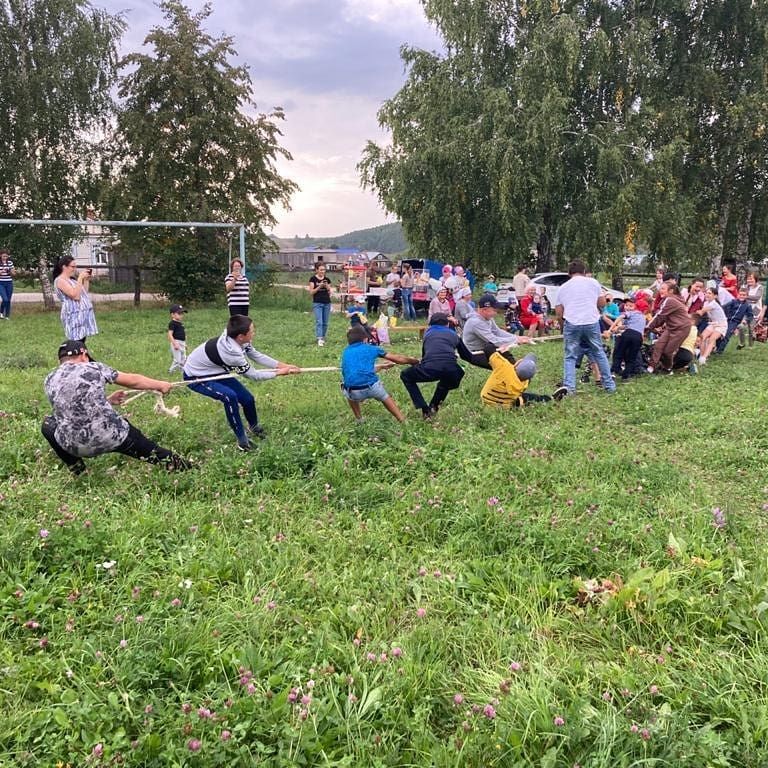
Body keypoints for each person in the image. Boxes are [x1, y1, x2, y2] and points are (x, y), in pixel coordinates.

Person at [41, 340, 189, 475]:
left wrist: (108, 400)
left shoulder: (50, 378)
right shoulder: (94, 367)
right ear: (84, 354)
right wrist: (161, 385)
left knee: (48, 425)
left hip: (72, 445)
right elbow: (133, 381)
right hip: (112, 437)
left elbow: (70, 406)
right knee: (154, 453)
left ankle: (77, 469)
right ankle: (187, 468)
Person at [183, 315, 301, 451]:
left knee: (247, 399)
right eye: (252, 331)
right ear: (241, 336)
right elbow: (254, 375)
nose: (254, 333)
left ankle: (254, 427)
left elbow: (256, 355)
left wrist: (283, 365)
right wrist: (280, 373)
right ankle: (243, 442)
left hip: (215, 371)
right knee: (230, 397)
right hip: (197, 376)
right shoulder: (232, 354)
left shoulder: (238, 339)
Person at [555, 260, 615, 394]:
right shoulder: (593, 282)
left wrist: (562, 326)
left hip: (572, 322)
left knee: (570, 356)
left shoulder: (563, 287)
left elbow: (559, 313)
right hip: (591, 322)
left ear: (569, 273)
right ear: (584, 271)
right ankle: (609, 386)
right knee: (598, 352)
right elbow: (602, 303)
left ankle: (570, 388)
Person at [340, 325, 419, 424]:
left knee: (346, 387)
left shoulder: (346, 352)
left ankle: (359, 419)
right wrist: (413, 361)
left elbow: (357, 372)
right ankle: (402, 420)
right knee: (384, 396)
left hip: (353, 391)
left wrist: (381, 367)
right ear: (365, 339)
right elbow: (399, 359)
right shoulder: (372, 348)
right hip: (371, 387)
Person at [400, 313, 464, 419]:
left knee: (406, 375)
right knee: (447, 380)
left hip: (431, 368)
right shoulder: (454, 334)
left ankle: (424, 408)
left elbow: (424, 356)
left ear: (430, 325)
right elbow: (467, 356)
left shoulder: (428, 334)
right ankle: (434, 406)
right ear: (447, 324)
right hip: (452, 371)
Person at [480, 344, 567, 407]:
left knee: (522, 398)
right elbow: (514, 368)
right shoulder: (525, 382)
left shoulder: (503, 367)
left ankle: (521, 402)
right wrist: (507, 354)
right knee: (527, 397)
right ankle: (550, 399)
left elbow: (487, 348)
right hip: (505, 406)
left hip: (486, 399)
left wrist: (503, 350)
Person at [461, 293, 533, 369]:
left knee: (510, 360)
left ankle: (517, 371)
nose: (496, 313)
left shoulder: (487, 318)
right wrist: (516, 340)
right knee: (503, 367)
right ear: (483, 310)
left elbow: (497, 332)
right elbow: (494, 340)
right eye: (494, 310)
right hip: (474, 353)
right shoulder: (476, 322)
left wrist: (516, 337)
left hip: (487, 348)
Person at [645, 282, 692, 373]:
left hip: (682, 328)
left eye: (663, 288)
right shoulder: (667, 300)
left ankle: (668, 367)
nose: (660, 290)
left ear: (670, 291)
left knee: (668, 351)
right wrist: (654, 327)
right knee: (658, 346)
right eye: (660, 288)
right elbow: (663, 317)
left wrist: (646, 328)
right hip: (671, 327)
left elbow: (659, 316)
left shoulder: (670, 300)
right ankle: (651, 367)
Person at [52, 255, 98, 343]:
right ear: (64, 267)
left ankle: (82, 355)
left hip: (81, 314)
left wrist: (86, 279)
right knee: (76, 341)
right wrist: (80, 278)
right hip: (72, 314)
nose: (74, 269)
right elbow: (75, 296)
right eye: (72, 266)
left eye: (75, 266)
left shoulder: (72, 280)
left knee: (82, 340)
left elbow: (83, 293)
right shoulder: (60, 281)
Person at [604, 294, 646, 380]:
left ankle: (613, 371)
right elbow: (632, 327)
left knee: (619, 353)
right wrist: (618, 328)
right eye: (626, 305)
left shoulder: (629, 313)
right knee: (631, 357)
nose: (627, 307)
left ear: (636, 306)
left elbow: (620, 317)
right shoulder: (642, 316)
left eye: (631, 306)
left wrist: (610, 329)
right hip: (638, 337)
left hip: (627, 335)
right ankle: (626, 376)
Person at [694, 287, 726, 365]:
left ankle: (704, 358)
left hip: (721, 324)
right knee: (702, 337)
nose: (707, 295)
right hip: (713, 323)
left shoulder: (713, 304)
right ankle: (701, 355)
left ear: (715, 296)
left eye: (710, 293)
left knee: (711, 339)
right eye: (706, 293)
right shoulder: (706, 303)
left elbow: (701, 312)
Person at [308, 261, 333, 347]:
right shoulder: (313, 279)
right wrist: (319, 286)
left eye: (324, 270)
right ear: (316, 270)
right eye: (321, 270)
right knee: (319, 321)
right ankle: (319, 338)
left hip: (327, 302)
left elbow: (330, 292)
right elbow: (311, 292)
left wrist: (327, 286)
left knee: (325, 322)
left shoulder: (327, 279)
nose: (323, 271)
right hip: (317, 303)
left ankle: (323, 336)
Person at [167, 304, 187, 374]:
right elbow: (169, 334)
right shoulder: (172, 323)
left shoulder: (180, 323)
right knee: (177, 360)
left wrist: (185, 344)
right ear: (172, 314)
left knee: (183, 358)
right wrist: (174, 343)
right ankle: (171, 371)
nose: (181, 315)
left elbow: (183, 334)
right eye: (179, 313)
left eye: (182, 313)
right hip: (176, 342)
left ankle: (183, 371)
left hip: (182, 343)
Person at [0, 248, 15, 319]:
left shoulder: (10, 263)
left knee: (8, 300)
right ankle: (1, 311)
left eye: (6, 256)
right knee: (5, 299)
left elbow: (14, 273)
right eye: (3, 256)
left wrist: (10, 270)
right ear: (0, 256)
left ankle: (7, 316)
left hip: (9, 282)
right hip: (1, 283)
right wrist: (1, 272)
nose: (5, 258)